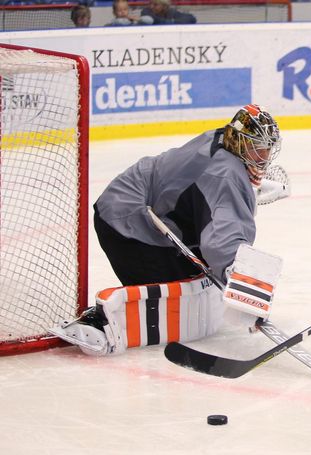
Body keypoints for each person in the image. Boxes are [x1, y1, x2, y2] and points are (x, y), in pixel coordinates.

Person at [49, 105, 291, 356]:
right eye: (257, 148)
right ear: (239, 142)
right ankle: (99, 321)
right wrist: (244, 289)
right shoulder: (226, 175)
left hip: (139, 206)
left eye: (267, 148)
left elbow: (201, 188)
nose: (264, 155)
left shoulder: (221, 140)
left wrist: (247, 192)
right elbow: (221, 241)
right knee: (178, 292)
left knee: (201, 277)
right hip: (127, 222)